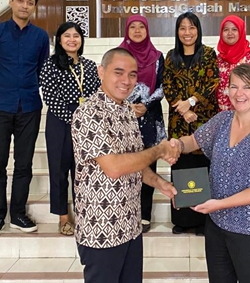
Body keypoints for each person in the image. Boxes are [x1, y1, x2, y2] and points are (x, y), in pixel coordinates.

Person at [170, 64, 250, 283]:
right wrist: (177, 145)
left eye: (247, 87)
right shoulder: (223, 120)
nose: (239, 93)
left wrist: (220, 204)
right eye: (234, 86)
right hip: (217, 225)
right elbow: (194, 141)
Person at [71, 47, 180, 283]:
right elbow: (114, 167)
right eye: (118, 72)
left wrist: (159, 183)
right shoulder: (89, 113)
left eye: (132, 74)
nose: (126, 81)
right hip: (102, 228)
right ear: (101, 72)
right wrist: (160, 149)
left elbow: (135, 161)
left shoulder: (127, 112)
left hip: (130, 224)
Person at [0, 0, 50, 237]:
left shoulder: (40, 36)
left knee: (24, 163)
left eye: (30, 2)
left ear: (34, 7)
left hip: (29, 106)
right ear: (11, 2)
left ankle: (18, 213)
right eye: (20, 1)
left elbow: (42, 68)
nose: (25, 6)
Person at [40, 22, 100, 235]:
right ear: (59, 39)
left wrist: (86, 119)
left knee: (83, 170)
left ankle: (83, 213)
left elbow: (96, 94)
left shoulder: (90, 66)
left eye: (76, 36)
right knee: (58, 169)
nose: (72, 40)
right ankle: (63, 217)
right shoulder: (50, 65)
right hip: (60, 121)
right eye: (67, 35)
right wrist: (73, 119)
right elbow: (50, 97)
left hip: (86, 122)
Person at [162, 12, 220, 235]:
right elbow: (168, 86)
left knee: (202, 168)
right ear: (177, 31)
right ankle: (183, 220)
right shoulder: (171, 56)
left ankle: (202, 220)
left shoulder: (208, 54)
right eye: (183, 28)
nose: (187, 33)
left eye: (192, 27)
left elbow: (212, 82)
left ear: (198, 30)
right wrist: (183, 109)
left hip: (203, 120)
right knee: (181, 167)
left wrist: (192, 102)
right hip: (179, 122)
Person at [119, 15, 166, 233]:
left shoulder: (157, 57)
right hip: (123, 116)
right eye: (133, 27)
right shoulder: (119, 55)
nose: (137, 31)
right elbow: (112, 83)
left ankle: (144, 214)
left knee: (148, 163)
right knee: (126, 165)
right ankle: (126, 211)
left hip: (149, 117)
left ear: (147, 31)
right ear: (127, 31)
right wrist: (128, 106)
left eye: (141, 27)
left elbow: (163, 86)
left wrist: (145, 105)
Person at [216, 14, 250, 111]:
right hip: (222, 114)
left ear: (241, 32)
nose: (230, 33)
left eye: (234, 29)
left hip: (247, 112)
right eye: (226, 30)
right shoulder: (219, 59)